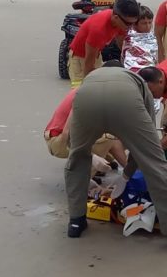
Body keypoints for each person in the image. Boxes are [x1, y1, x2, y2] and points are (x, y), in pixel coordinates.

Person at [64, 66, 167, 238]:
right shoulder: (140, 85)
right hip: (125, 100)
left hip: (86, 97)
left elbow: (71, 140)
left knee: (78, 158)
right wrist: (126, 175)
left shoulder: (96, 75)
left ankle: (76, 221)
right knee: (154, 163)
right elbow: (143, 151)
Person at [67, 0, 140, 88]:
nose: (131, 27)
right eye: (129, 24)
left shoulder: (122, 23)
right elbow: (88, 62)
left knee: (99, 88)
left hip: (96, 53)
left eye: (134, 23)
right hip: (80, 57)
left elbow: (122, 43)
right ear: (116, 17)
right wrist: (87, 86)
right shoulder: (98, 29)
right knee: (80, 91)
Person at [44, 88, 127, 167]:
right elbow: (68, 133)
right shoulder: (86, 97)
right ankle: (84, 176)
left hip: (65, 136)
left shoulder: (92, 90)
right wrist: (92, 156)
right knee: (109, 138)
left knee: (114, 136)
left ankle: (93, 163)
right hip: (59, 141)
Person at [121, 5, 158, 72]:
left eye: (150, 22)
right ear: (135, 24)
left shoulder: (154, 37)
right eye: (144, 23)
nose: (148, 26)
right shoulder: (129, 39)